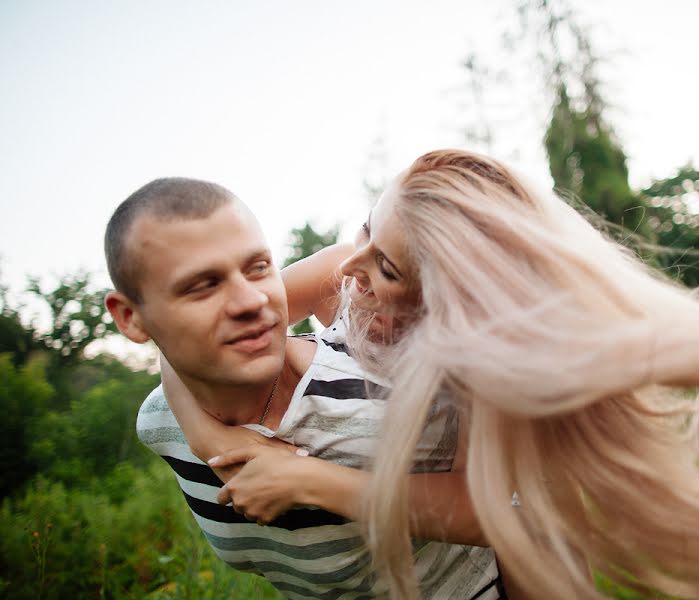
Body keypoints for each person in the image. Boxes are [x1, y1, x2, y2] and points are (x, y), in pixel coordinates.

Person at [173, 149, 699, 600]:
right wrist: (221, 446)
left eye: (388, 269)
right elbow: (190, 346)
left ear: (446, 304)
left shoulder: (475, 367)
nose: (349, 269)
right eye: (368, 226)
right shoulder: (346, 267)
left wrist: (310, 479)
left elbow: (493, 514)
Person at [103, 178, 503, 600]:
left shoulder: (400, 397)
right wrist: (210, 442)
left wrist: (307, 478)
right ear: (131, 318)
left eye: (259, 267)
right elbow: (186, 355)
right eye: (203, 285)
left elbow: (498, 513)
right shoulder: (159, 424)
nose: (251, 301)